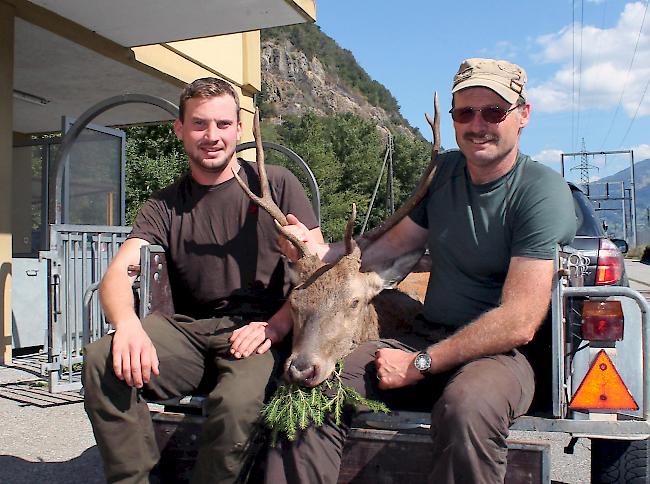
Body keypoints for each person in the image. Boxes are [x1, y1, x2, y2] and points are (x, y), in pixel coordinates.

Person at [265, 58, 577, 484]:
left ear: (523, 115)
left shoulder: (541, 192)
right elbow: (386, 249)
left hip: (499, 356)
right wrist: (316, 250)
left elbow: (519, 321)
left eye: (493, 112)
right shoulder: (445, 172)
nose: (478, 124)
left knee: (466, 408)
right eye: (465, 112)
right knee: (314, 389)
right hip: (428, 334)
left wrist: (421, 364)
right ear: (452, 120)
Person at [82, 77, 322, 484]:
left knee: (236, 405)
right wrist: (127, 326)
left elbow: (321, 269)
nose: (212, 136)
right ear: (180, 129)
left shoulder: (277, 184)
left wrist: (278, 323)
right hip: (186, 334)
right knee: (101, 360)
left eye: (223, 125)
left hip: (259, 333)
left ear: (239, 129)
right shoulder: (164, 204)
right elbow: (118, 273)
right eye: (199, 124)